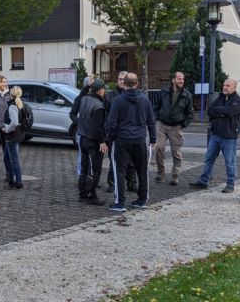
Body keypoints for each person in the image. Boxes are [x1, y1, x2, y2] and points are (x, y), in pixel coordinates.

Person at [106, 73, 156, 214]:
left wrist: (111, 138)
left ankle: (120, 202)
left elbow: (112, 122)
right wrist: (153, 139)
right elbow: (151, 120)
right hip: (140, 139)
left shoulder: (118, 100)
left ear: (125, 84)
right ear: (137, 83)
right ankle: (142, 199)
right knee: (142, 170)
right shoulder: (145, 100)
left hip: (122, 139)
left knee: (119, 171)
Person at [189, 79, 240, 192]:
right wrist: (223, 112)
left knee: (229, 161)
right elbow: (210, 111)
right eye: (224, 85)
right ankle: (204, 181)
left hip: (229, 137)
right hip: (215, 135)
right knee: (209, 158)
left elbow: (232, 111)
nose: (225, 87)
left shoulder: (238, 100)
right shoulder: (220, 98)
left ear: (234, 87)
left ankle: (230, 184)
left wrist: (220, 111)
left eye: (228, 85)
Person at [152, 72, 194, 186]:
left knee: (176, 152)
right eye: (179, 79)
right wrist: (156, 119)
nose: (181, 81)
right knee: (159, 148)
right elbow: (156, 106)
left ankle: (175, 175)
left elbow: (190, 113)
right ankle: (160, 172)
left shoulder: (187, 95)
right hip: (162, 125)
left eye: (183, 79)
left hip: (176, 126)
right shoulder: (164, 92)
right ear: (173, 80)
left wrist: (183, 125)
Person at [77, 80, 109, 206]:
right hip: (93, 141)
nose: (105, 91)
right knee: (96, 170)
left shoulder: (84, 99)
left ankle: (82, 194)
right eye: (103, 89)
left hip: (83, 138)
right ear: (99, 90)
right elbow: (98, 127)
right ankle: (91, 195)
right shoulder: (98, 106)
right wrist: (102, 142)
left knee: (84, 168)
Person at [2, 86, 28, 189]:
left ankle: (18, 182)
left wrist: (6, 129)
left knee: (13, 159)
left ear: (11, 95)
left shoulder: (12, 106)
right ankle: (12, 179)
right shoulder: (21, 104)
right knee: (6, 158)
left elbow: (14, 123)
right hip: (18, 134)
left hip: (12, 135)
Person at [70, 77, 94, 176]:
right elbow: (72, 114)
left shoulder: (95, 98)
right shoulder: (79, 98)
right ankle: (81, 176)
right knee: (82, 154)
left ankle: (92, 176)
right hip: (82, 132)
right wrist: (80, 122)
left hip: (93, 132)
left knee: (93, 156)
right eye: (90, 86)